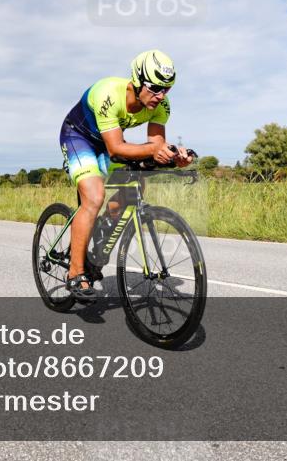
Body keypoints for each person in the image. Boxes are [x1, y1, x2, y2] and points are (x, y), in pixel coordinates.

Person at [59, 50, 193, 302]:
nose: (161, 96)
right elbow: (115, 149)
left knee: (136, 184)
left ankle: (101, 231)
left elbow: (155, 147)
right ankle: (75, 273)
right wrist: (153, 151)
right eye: (155, 88)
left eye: (167, 89)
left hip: (108, 141)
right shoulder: (108, 93)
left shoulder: (160, 105)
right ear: (138, 80)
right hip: (79, 137)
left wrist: (174, 157)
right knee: (94, 196)